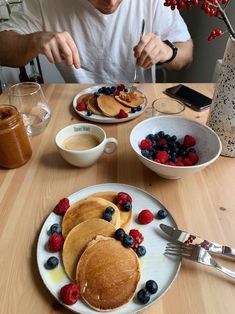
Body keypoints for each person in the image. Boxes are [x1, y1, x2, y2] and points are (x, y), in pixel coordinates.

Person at [0, 0, 193, 83]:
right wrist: (34, 41)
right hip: (78, 112)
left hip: (140, 110)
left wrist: (168, 52)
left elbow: (187, 53)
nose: (110, 2)